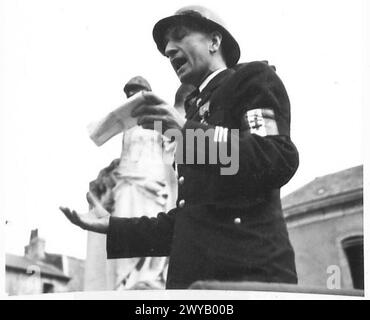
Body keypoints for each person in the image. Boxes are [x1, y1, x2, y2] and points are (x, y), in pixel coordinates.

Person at [60, 5, 299, 289]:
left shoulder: (251, 79)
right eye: (166, 47)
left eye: (180, 36)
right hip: (194, 286)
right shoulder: (194, 114)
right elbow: (191, 221)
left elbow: (273, 159)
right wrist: (114, 227)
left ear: (214, 41)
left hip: (248, 281)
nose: (169, 50)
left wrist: (186, 131)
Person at [86, 76, 177, 290]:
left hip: (153, 183)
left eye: (136, 92)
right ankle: (125, 282)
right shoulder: (125, 126)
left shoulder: (157, 118)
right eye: (129, 93)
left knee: (149, 227)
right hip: (127, 184)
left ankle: (148, 279)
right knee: (125, 227)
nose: (131, 97)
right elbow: (126, 155)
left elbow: (171, 148)